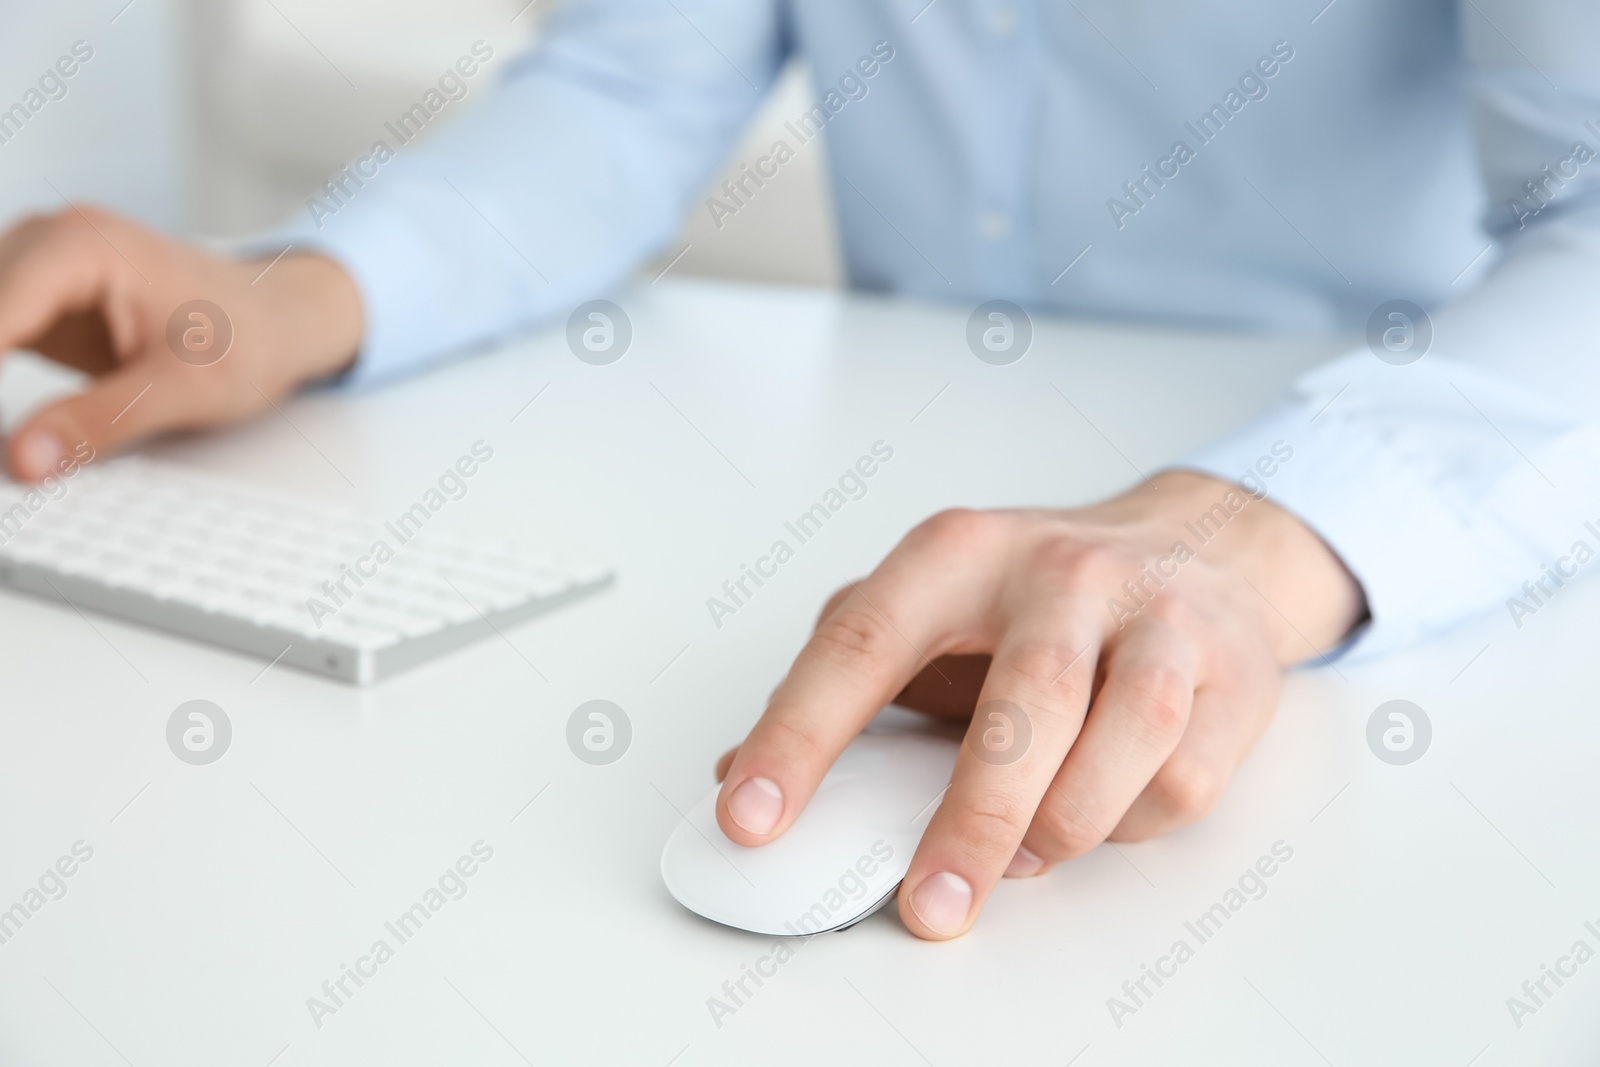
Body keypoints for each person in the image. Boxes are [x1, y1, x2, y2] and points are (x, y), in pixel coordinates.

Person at [1, 0, 1595, 941]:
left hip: (1373, 541)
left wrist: (1256, 530)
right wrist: (299, 295)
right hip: (870, 471)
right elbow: (630, 87)